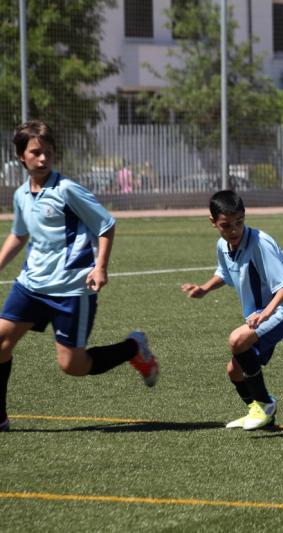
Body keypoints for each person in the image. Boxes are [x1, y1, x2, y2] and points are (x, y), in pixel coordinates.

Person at [0, 120, 158, 432]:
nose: (43, 158)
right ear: (21, 156)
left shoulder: (67, 190)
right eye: (35, 152)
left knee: (73, 366)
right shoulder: (21, 195)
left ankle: (133, 348)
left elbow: (106, 225)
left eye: (48, 152)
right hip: (30, 285)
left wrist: (100, 266)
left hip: (71, 290)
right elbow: (19, 234)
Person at [180, 190, 283, 430]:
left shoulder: (259, 243)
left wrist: (267, 313)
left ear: (245, 216)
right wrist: (204, 288)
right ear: (213, 223)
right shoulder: (223, 245)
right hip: (268, 310)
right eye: (226, 225)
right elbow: (224, 273)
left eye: (239, 223)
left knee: (237, 340)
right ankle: (258, 411)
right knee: (234, 371)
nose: (234, 230)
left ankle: (265, 404)